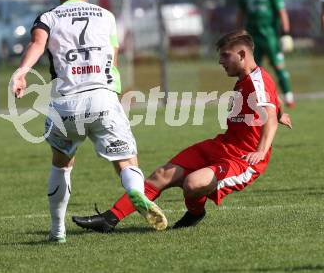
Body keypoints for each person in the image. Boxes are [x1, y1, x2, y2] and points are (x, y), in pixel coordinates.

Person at [72, 30, 292, 232]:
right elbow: (271, 100)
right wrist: (281, 112)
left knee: (192, 184)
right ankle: (110, 219)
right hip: (221, 145)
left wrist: (262, 150)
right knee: (162, 175)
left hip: (243, 160)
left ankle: (196, 212)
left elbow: (268, 118)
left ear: (242, 54)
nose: (220, 61)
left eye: (225, 56)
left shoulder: (257, 81)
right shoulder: (250, 79)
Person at [12, 0, 167, 243]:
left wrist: (22, 72)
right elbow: (113, 59)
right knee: (126, 161)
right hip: (102, 97)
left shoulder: (48, 17)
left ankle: (57, 229)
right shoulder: (106, 16)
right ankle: (135, 191)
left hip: (66, 104)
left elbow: (37, 44)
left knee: (61, 164)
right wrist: (114, 98)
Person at [237, 0, 295, 108]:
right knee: (251, 70)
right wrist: (238, 34)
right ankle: (256, 99)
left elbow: (282, 11)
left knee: (278, 66)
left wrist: (286, 32)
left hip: (270, 36)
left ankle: (289, 96)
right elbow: (241, 14)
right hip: (252, 37)